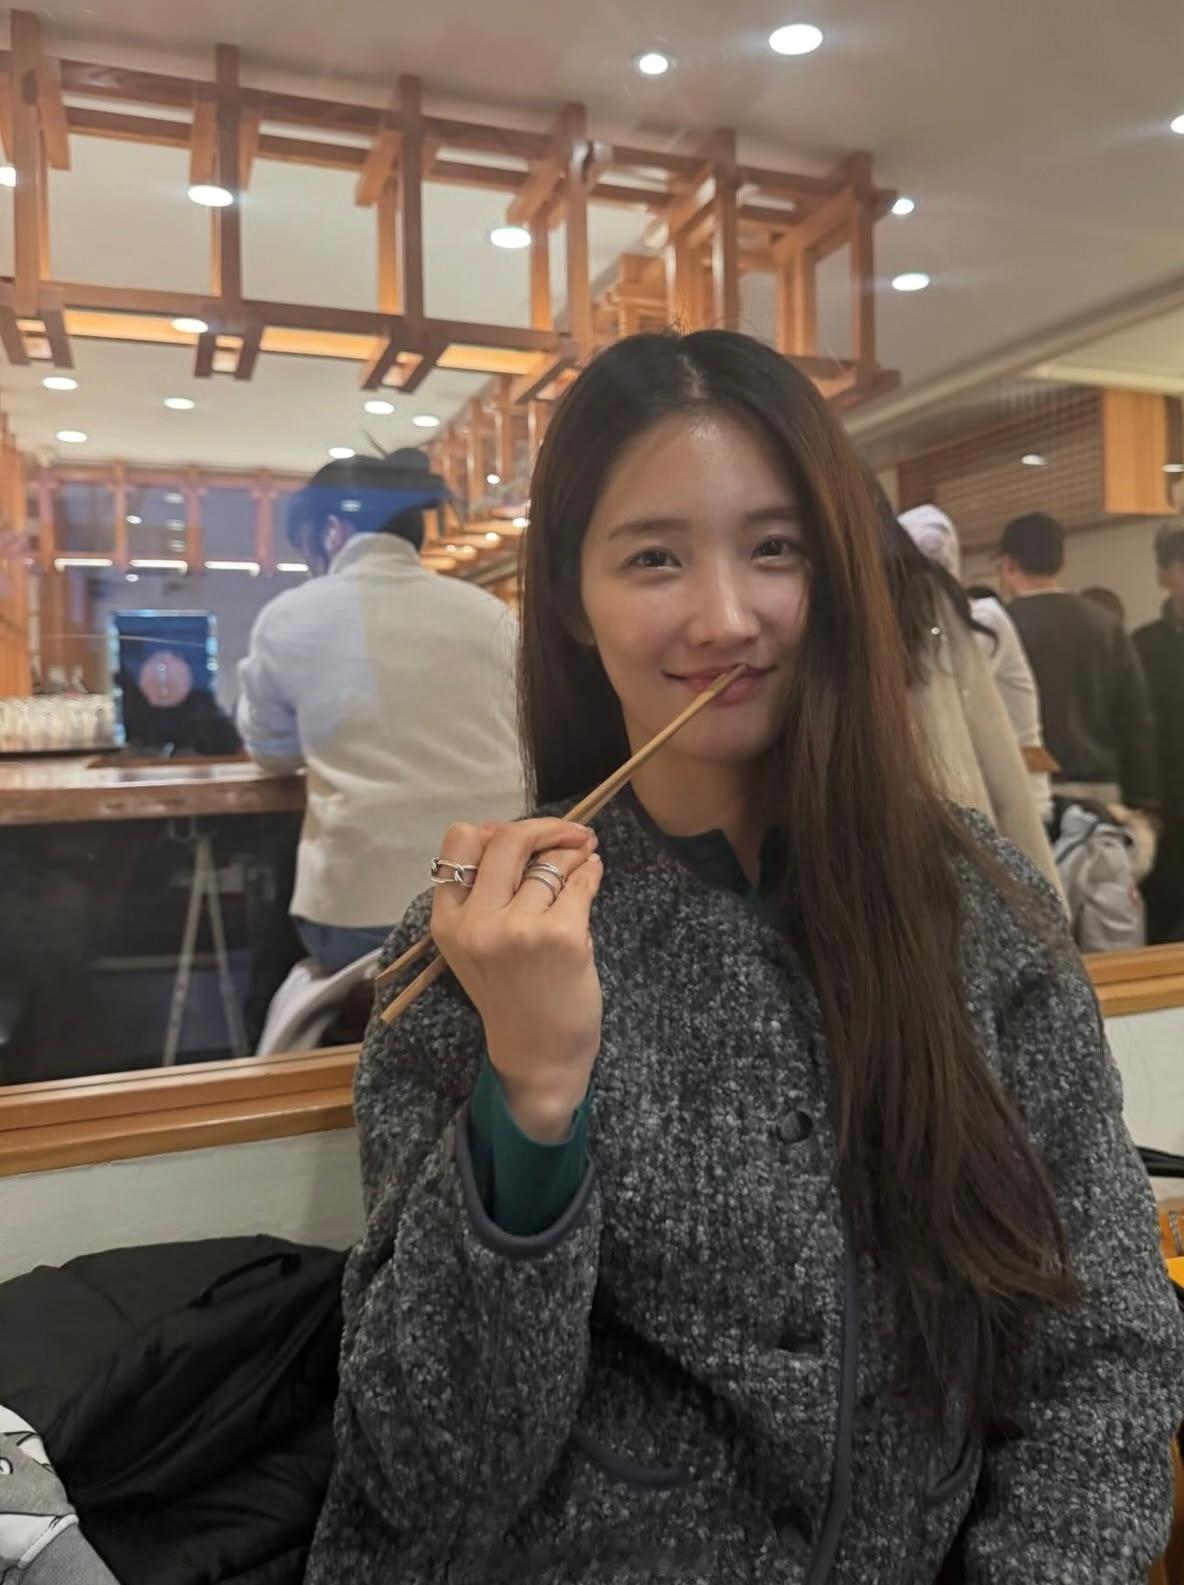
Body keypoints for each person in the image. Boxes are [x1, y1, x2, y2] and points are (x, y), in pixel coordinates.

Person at [305, 332, 1184, 1585]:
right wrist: (532, 1088)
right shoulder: (481, 943)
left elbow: (1100, 1349)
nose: (724, 618)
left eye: (775, 549)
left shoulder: (979, 905)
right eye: (653, 557)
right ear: (570, 598)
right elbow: (423, 1476)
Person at [237, 448, 523, 975]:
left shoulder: (288, 617)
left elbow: (272, 752)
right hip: (502, 901)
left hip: (361, 922)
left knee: (275, 932)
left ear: (331, 531)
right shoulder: (489, 612)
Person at [999, 511, 1160, 888]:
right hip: (1101, 793)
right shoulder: (1105, 625)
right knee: (1102, 909)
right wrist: (1146, 802)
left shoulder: (1000, 628)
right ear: (1063, 561)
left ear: (1008, 565)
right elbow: (1136, 720)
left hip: (1024, 794)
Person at [898, 502, 1053, 823]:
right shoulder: (938, 626)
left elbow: (1020, 728)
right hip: (963, 799)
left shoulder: (981, 622)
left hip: (996, 799)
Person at [1135, 525, 1184, 941]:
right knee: (1163, 920)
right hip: (1167, 801)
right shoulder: (1142, 645)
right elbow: (1133, 728)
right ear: (1164, 575)